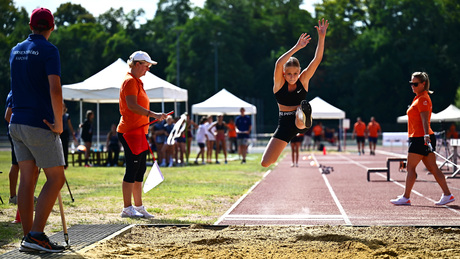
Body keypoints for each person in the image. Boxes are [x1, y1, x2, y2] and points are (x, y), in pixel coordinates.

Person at [9, 8, 67, 252]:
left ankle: (28, 238)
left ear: (30, 26)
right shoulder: (49, 50)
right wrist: (59, 122)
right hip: (39, 123)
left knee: (27, 181)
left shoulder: (15, 50)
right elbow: (55, 90)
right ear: (51, 27)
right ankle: (36, 234)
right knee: (56, 178)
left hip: (17, 122)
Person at [261, 19, 329, 167]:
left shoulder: (303, 80)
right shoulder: (279, 85)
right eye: (289, 74)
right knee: (266, 162)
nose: (293, 77)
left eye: (295, 73)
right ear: (284, 74)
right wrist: (297, 47)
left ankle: (305, 114)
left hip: (299, 121)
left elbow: (317, 60)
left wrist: (321, 37)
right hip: (284, 124)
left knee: (299, 114)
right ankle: (302, 115)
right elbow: (279, 64)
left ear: (299, 72)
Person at [391, 72, 455, 206]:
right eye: (411, 84)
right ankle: (448, 195)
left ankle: (406, 197)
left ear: (423, 84)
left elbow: (425, 120)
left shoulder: (423, 99)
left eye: (415, 84)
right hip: (420, 136)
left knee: (410, 167)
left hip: (421, 137)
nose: (412, 86)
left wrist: (426, 136)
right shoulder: (418, 98)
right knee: (433, 168)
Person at [116, 50, 167, 218]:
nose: (148, 69)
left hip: (138, 132)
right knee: (132, 169)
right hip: (130, 132)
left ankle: (138, 206)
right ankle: (127, 208)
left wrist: (154, 116)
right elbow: (132, 106)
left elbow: (137, 106)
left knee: (140, 169)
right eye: (146, 66)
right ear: (137, 65)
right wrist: (154, 114)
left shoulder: (137, 81)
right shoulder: (130, 81)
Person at [5, 91, 19, 205]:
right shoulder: (15, 92)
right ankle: (13, 196)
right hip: (16, 133)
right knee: (16, 164)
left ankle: (25, 195)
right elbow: (8, 115)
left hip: (17, 132)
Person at [60, 102, 77, 169]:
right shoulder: (57, 114)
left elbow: (70, 125)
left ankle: (65, 164)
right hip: (59, 133)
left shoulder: (67, 116)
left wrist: (73, 133)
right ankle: (60, 164)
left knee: (65, 149)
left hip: (65, 133)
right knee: (59, 149)